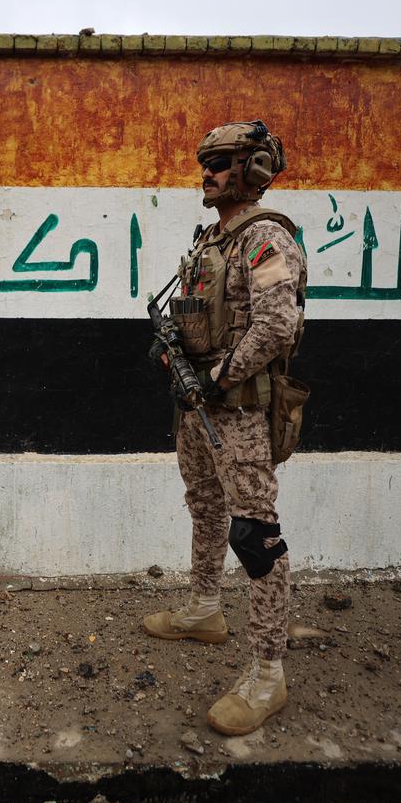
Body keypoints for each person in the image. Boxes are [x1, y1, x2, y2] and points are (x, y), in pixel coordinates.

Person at [141, 120, 306, 737]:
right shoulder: (210, 240)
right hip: (197, 406)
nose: (205, 173)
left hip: (235, 412)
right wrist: (174, 349)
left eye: (218, 163)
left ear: (251, 170)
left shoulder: (264, 240)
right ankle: (205, 608)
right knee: (205, 508)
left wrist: (217, 378)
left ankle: (268, 671)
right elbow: (197, 316)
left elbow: (276, 327)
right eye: (204, 162)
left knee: (255, 533)